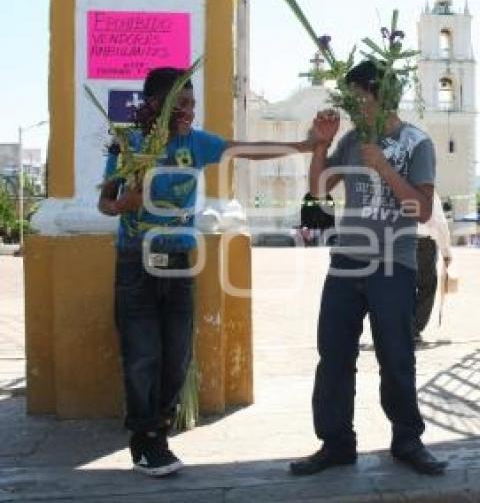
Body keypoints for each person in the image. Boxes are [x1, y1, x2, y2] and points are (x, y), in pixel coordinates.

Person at [98, 67, 315, 477]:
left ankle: (160, 430)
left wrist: (304, 145)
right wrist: (123, 203)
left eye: (192, 104)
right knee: (143, 354)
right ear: (154, 105)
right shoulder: (129, 145)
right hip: (136, 262)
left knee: (177, 356)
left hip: (180, 262)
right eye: (180, 104)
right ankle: (144, 441)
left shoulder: (197, 144)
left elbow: (245, 149)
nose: (188, 112)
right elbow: (105, 204)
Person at [290, 60, 447, 476]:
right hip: (346, 262)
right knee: (334, 355)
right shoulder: (353, 140)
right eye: (348, 99)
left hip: (393, 263)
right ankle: (337, 442)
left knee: (396, 355)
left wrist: (383, 167)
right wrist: (322, 145)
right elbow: (320, 190)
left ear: (380, 96)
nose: (352, 106)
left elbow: (421, 208)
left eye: (357, 97)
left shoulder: (416, 142)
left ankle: (407, 440)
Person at [413, 192, 452, 343]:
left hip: (400, 241)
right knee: (427, 286)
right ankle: (414, 329)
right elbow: (440, 223)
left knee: (403, 285)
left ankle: (402, 327)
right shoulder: (428, 191)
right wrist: (446, 251)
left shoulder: (398, 184)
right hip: (424, 244)